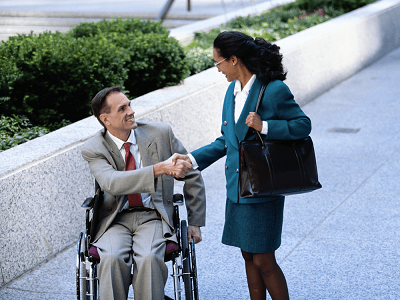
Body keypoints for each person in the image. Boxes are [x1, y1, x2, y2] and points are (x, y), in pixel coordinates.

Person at [174, 31, 312, 300]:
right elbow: (226, 140)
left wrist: (266, 126)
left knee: (263, 260)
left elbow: (302, 125)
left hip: (262, 189)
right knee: (248, 255)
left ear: (234, 59)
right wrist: (191, 160)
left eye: (218, 63)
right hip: (237, 190)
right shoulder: (231, 91)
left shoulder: (272, 89)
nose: (218, 69)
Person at [81, 85, 206, 300]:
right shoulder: (94, 148)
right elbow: (111, 182)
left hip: (153, 215)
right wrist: (160, 168)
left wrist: (194, 221)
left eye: (129, 105)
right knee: (111, 258)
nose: (131, 111)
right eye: (122, 109)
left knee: (149, 257)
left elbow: (191, 172)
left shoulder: (160, 134)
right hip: (114, 219)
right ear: (105, 119)